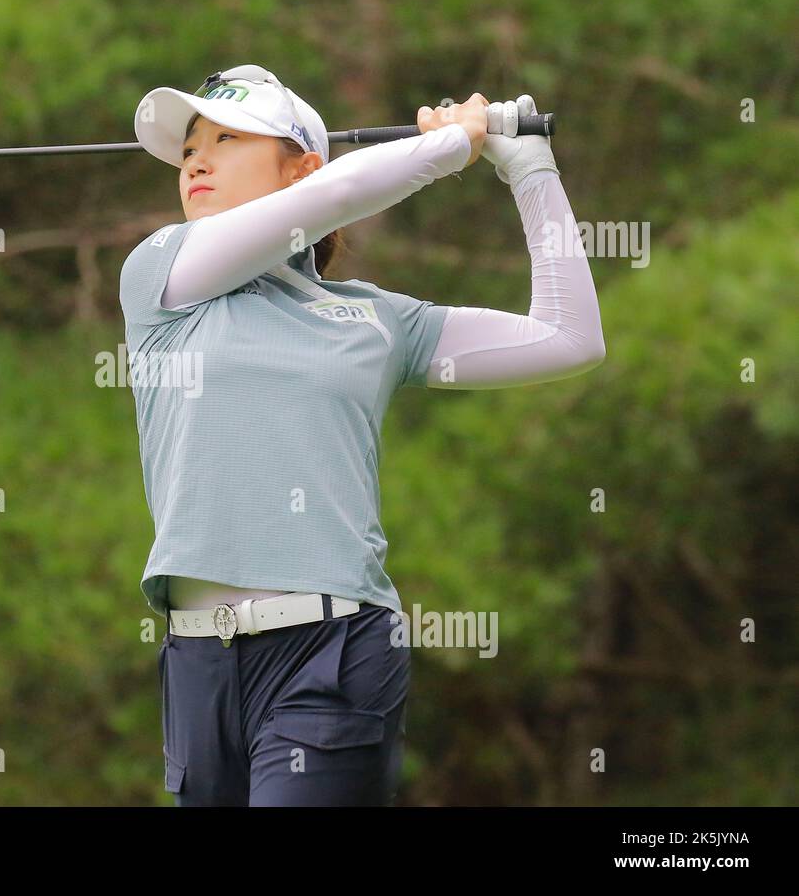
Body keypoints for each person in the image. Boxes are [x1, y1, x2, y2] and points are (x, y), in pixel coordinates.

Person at [121, 64, 604, 806]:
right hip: (197, 663)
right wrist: (449, 148)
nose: (197, 160)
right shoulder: (162, 276)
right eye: (189, 148)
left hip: (334, 651)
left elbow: (568, 337)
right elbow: (337, 195)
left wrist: (526, 166)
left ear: (299, 166)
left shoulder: (376, 318)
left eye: (227, 138)